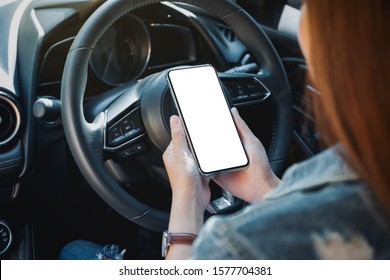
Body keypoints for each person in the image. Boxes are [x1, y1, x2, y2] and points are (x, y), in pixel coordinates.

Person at [60, 0, 390, 259]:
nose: (302, 25)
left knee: (73, 252)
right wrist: (265, 191)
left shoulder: (236, 245)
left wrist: (187, 202)